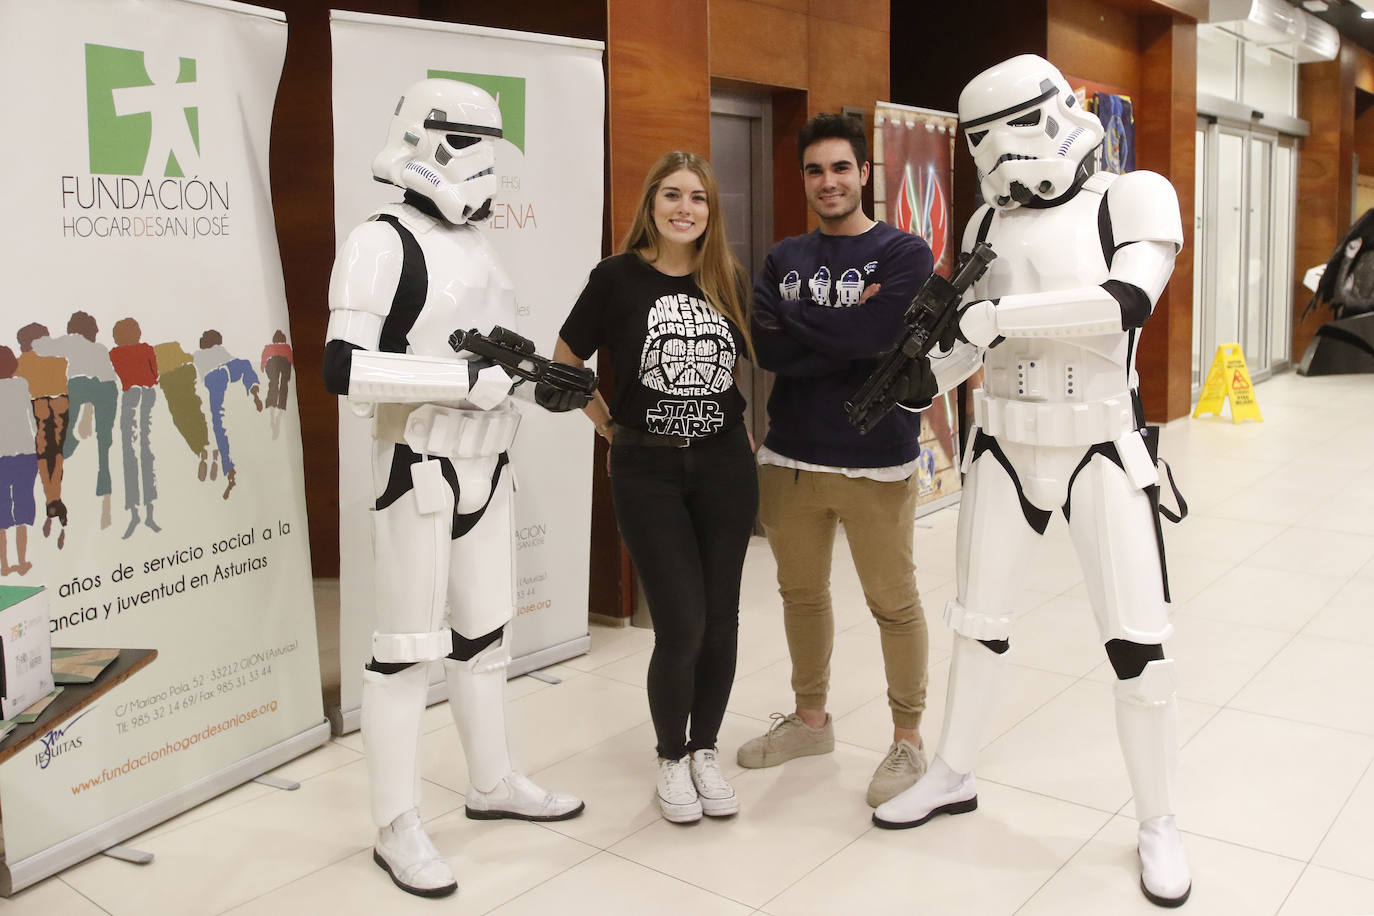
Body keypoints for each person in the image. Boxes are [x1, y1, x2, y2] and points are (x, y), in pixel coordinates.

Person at [872, 55, 1191, 909]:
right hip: (1005, 447)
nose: (1001, 158)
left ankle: (1159, 821)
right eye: (981, 141)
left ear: (1056, 114)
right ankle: (951, 771)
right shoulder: (985, 226)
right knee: (977, 626)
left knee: (1137, 645)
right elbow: (973, 345)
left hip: (1099, 444)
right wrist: (925, 376)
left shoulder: (1134, 197)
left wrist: (995, 319)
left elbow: (1127, 300)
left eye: (1009, 131)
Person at [323, 78, 586, 899]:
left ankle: (492, 781)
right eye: (473, 145)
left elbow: (492, 360)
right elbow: (343, 367)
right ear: (428, 140)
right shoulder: (380, 240)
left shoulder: (474, 245)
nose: (486, 169)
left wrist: (518, 384)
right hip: (419, 466)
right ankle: (395, 822)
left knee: (484, 638)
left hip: (488, 464)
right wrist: (453, 377)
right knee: (405, 651)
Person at [739, 112, 938, 809]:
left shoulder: (905, 254)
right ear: (804, 180)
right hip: (789, 454)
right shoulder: (782, 258)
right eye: (816, 170)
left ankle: (909, 739)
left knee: (893, 602)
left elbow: (885, 335)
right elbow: (766, 350)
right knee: (800, 595)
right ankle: (811, 720)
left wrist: (811, 325)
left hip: (877, 458)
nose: (829, 182)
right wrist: (851, 330)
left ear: (864, 174)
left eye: (841, 168)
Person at [554, 151, 758, 825]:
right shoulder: (615, 279)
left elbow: (733, 364)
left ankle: (707, 749)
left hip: (725, 466)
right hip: (648, 470)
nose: (685, 208)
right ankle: (672, 756)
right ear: (651, 203)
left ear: (710, 210)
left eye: (698, 198)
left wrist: (739, 428)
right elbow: (564, 360)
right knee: (681, 624)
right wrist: (606, 425)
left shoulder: (723, 274)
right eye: (672, 194)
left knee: (722, 621)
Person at [34, 311, 118, 529]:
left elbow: (43, 347)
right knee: (104, 442)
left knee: (65, 434)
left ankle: (66, 449)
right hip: (106, 388)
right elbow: (106, 375)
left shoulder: (72, 341)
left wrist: (38, 340)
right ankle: (105, 494)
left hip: (80, 384)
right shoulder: (100, 349)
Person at [15, 323, 70, 548]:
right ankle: (54, 498)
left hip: (38, 404)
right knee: (56, 453)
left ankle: (52, 499)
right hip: (60, 402)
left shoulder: (22, 363)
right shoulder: (59, 360)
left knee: (42, 453)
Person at [194, 330, 263, 500]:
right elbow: (233, 361)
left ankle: (228, 468)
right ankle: (253, 388)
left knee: (219, 421)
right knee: (246, 364)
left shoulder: (198, 355)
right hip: (229, 369)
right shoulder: (221, 350)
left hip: (213, 377)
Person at [109, 317, 160, 539]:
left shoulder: (114, 354)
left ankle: (135, 514)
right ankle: (149, 512)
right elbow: (154, 373)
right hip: (147, 394)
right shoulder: (147, 349)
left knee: (130, 454)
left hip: (130, 396)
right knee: (145, 450)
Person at [0, 346, 38, 576]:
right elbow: (31, 418)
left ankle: (4, 565)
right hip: (24, 451)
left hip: (1, 454)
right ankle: (23, 561)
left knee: (2, 509)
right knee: (23, 504)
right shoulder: (21, 385)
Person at [260, 330, 294, 440]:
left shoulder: (268, 347)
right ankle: (279, 413)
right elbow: (291, 361)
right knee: (284, 387)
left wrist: (262, 368)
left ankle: (271, 412)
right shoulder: (286, 348)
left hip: (272, 363)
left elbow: (264, 360)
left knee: (273, 385)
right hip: (285, 364)